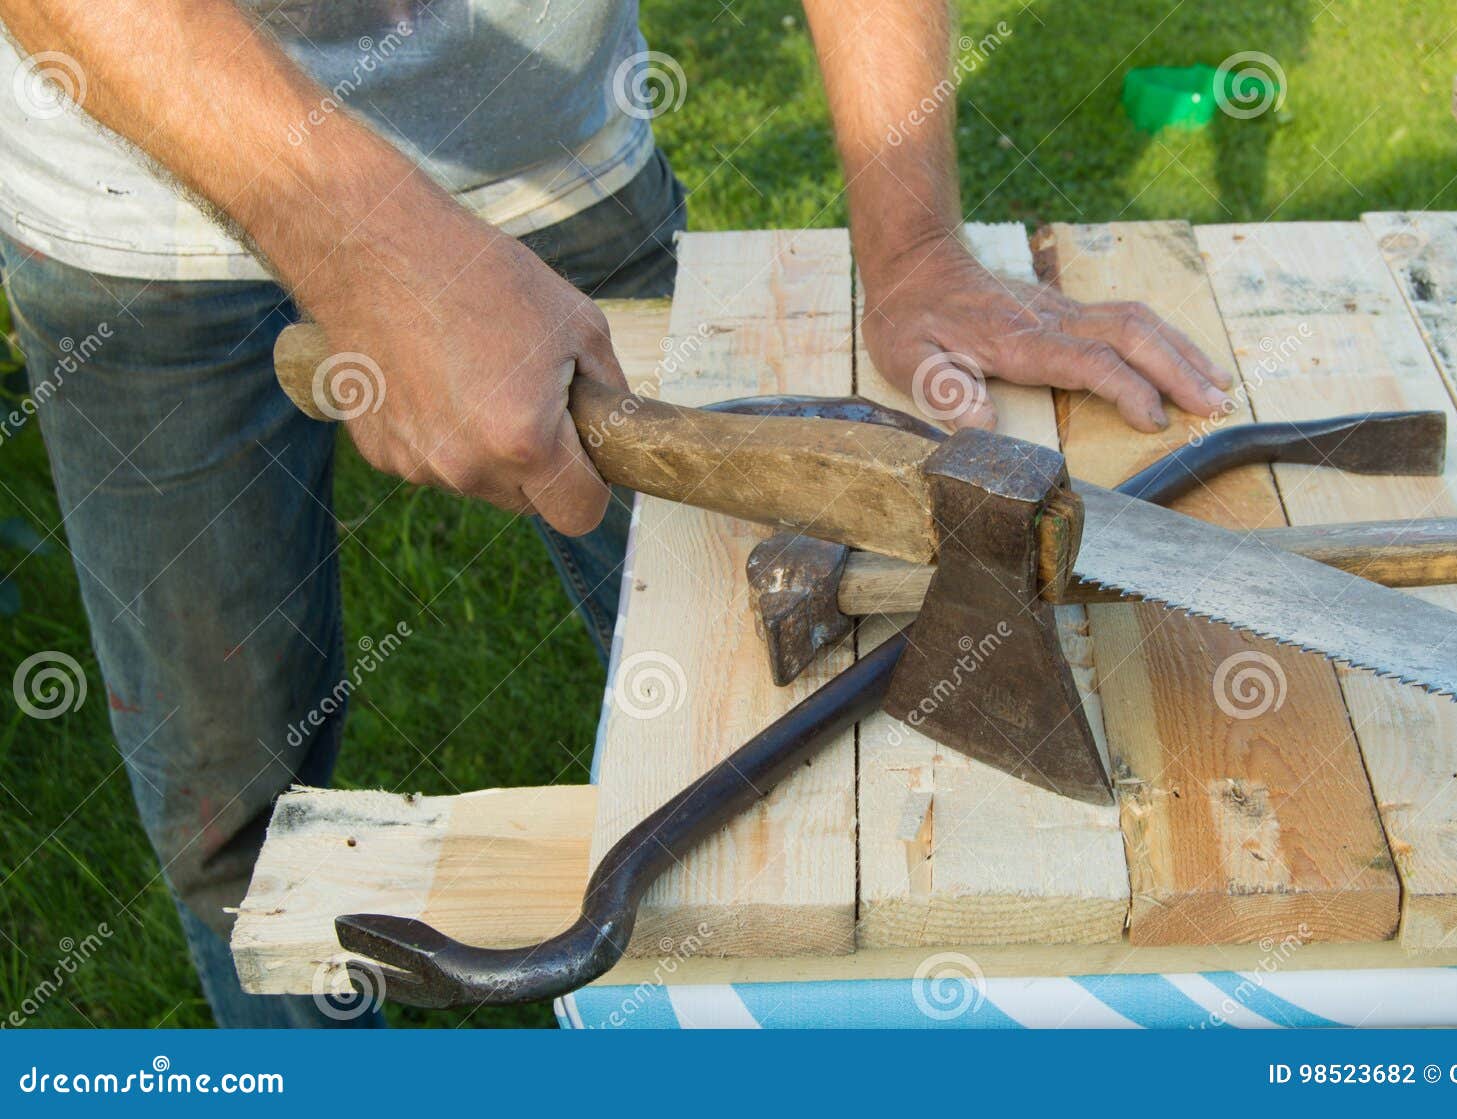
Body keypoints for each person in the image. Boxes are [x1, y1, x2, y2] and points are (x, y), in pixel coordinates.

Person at [0, 1, 1231, 1027]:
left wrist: (913, 251)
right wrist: (376, 250)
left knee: (746, 712)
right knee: (238, 820)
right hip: (127, 200)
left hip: (554, 170)